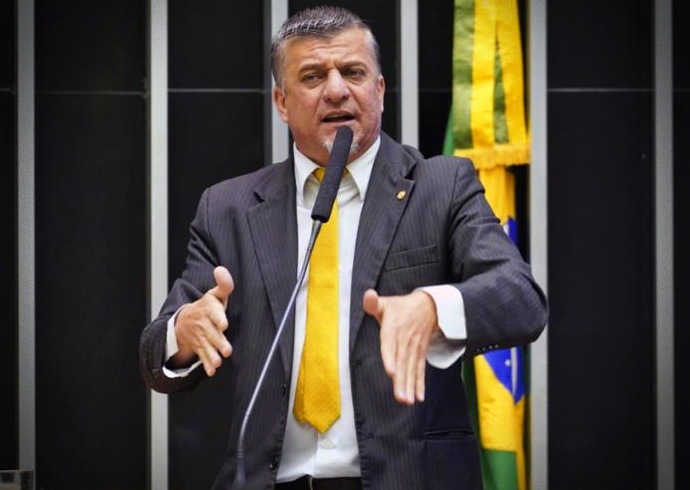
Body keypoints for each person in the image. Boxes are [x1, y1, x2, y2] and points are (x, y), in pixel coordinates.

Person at [139, 5, 548, 490]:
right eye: (313, 76)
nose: (336, 90)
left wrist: (433, 307)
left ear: (380, 89)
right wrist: (183, 333)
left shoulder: (442, 187)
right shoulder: (228, 208)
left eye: (353, 72)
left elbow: (521, 299)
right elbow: (156, 360)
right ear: (282, 102)